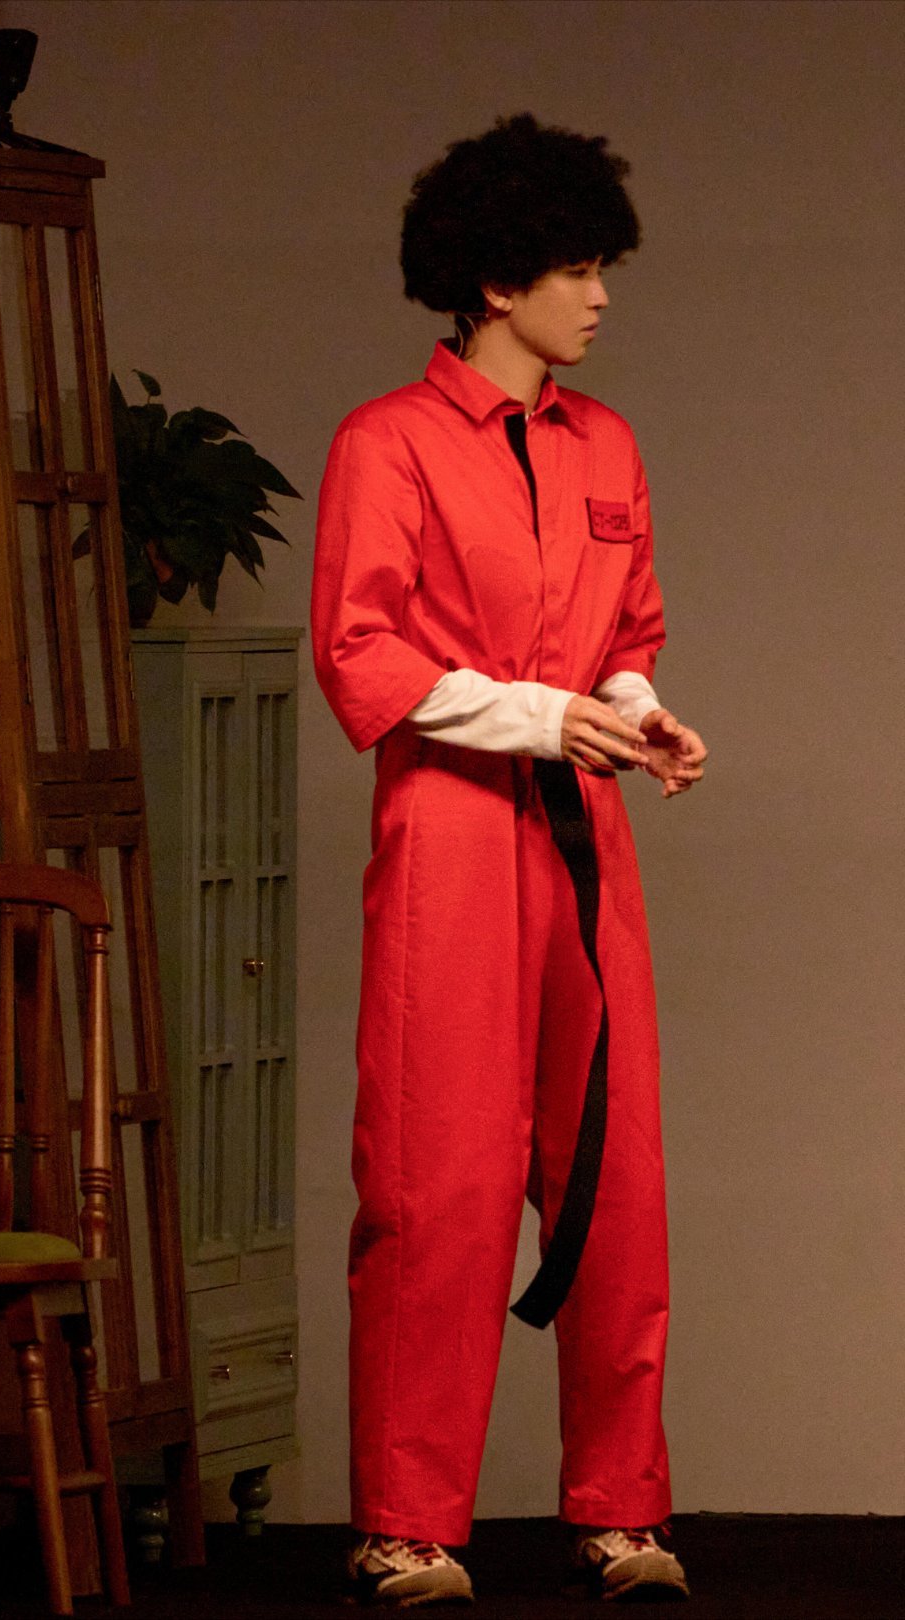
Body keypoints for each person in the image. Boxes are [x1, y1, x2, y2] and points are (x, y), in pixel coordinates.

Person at [311, 114, 707, 1607]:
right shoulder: (387, 445)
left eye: (603, 268)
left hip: (586, 841)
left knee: (615, 1176)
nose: (600, 297)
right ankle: (407, 1526)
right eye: (577, 268)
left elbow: (624, 637)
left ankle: (622, 1510)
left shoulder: (611, 444)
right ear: (495, 281)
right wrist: (545, 718)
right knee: (438, 1180)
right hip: (452, 841)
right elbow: (363, 654)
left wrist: (642, 719)